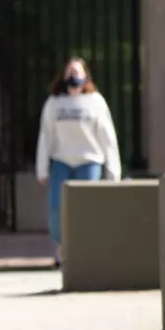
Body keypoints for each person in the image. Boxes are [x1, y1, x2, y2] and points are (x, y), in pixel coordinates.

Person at [34, 57, 121, 265]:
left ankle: (85, 250)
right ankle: (61, 249)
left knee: (86, 209)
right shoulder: (54, 103)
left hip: (89, 161)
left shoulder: (96, 102)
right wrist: (42, 168)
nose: (73, 76)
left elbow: (107, 136)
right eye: (69, 72)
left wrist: (112, 169)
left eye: (77, 72)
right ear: (63, 76)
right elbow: (46, 136)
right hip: (61, 162)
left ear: (85, 76)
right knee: (56, 207)